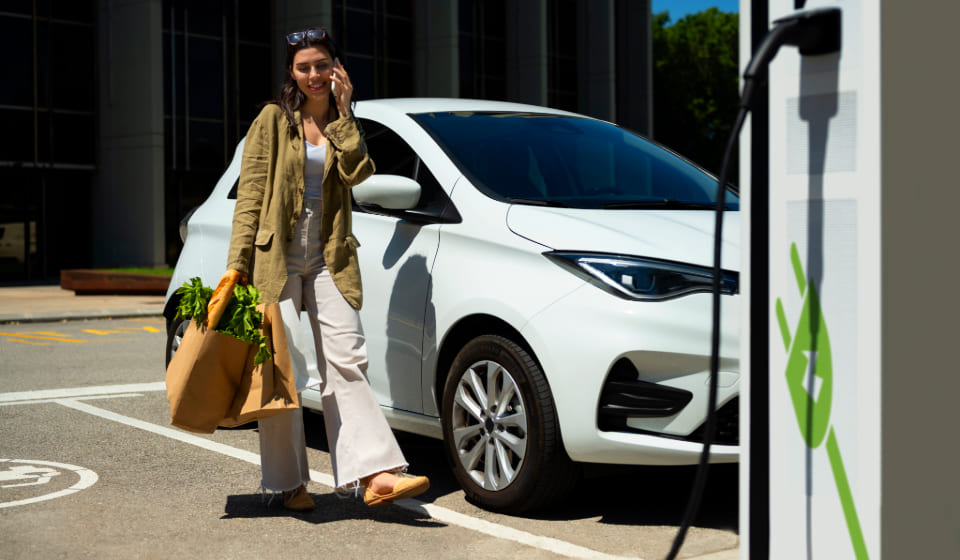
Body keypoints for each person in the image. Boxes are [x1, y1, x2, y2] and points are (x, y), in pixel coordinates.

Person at [224, 27, 429, 511]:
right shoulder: (273, 120)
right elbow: (251, 195)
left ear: (336, 68)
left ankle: (375, 475)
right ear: (291, 73)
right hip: (277, 258)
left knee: (347, 358)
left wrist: (345, 110)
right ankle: (288, 483)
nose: (313, 75)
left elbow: (360, 174)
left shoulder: (343, 120)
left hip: (329, 258)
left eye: (322, 65)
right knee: (283, 369)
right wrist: (237, 267)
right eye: (304, 67)